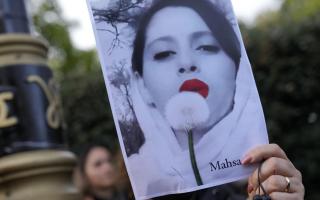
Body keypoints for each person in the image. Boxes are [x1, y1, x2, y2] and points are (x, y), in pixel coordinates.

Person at [124, 0, 305, 199]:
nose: (187, 63)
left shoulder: (268, 176)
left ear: (237, 68)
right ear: (141, 85)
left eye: (206, 47)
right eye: (164, 53)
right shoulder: (132, 187)